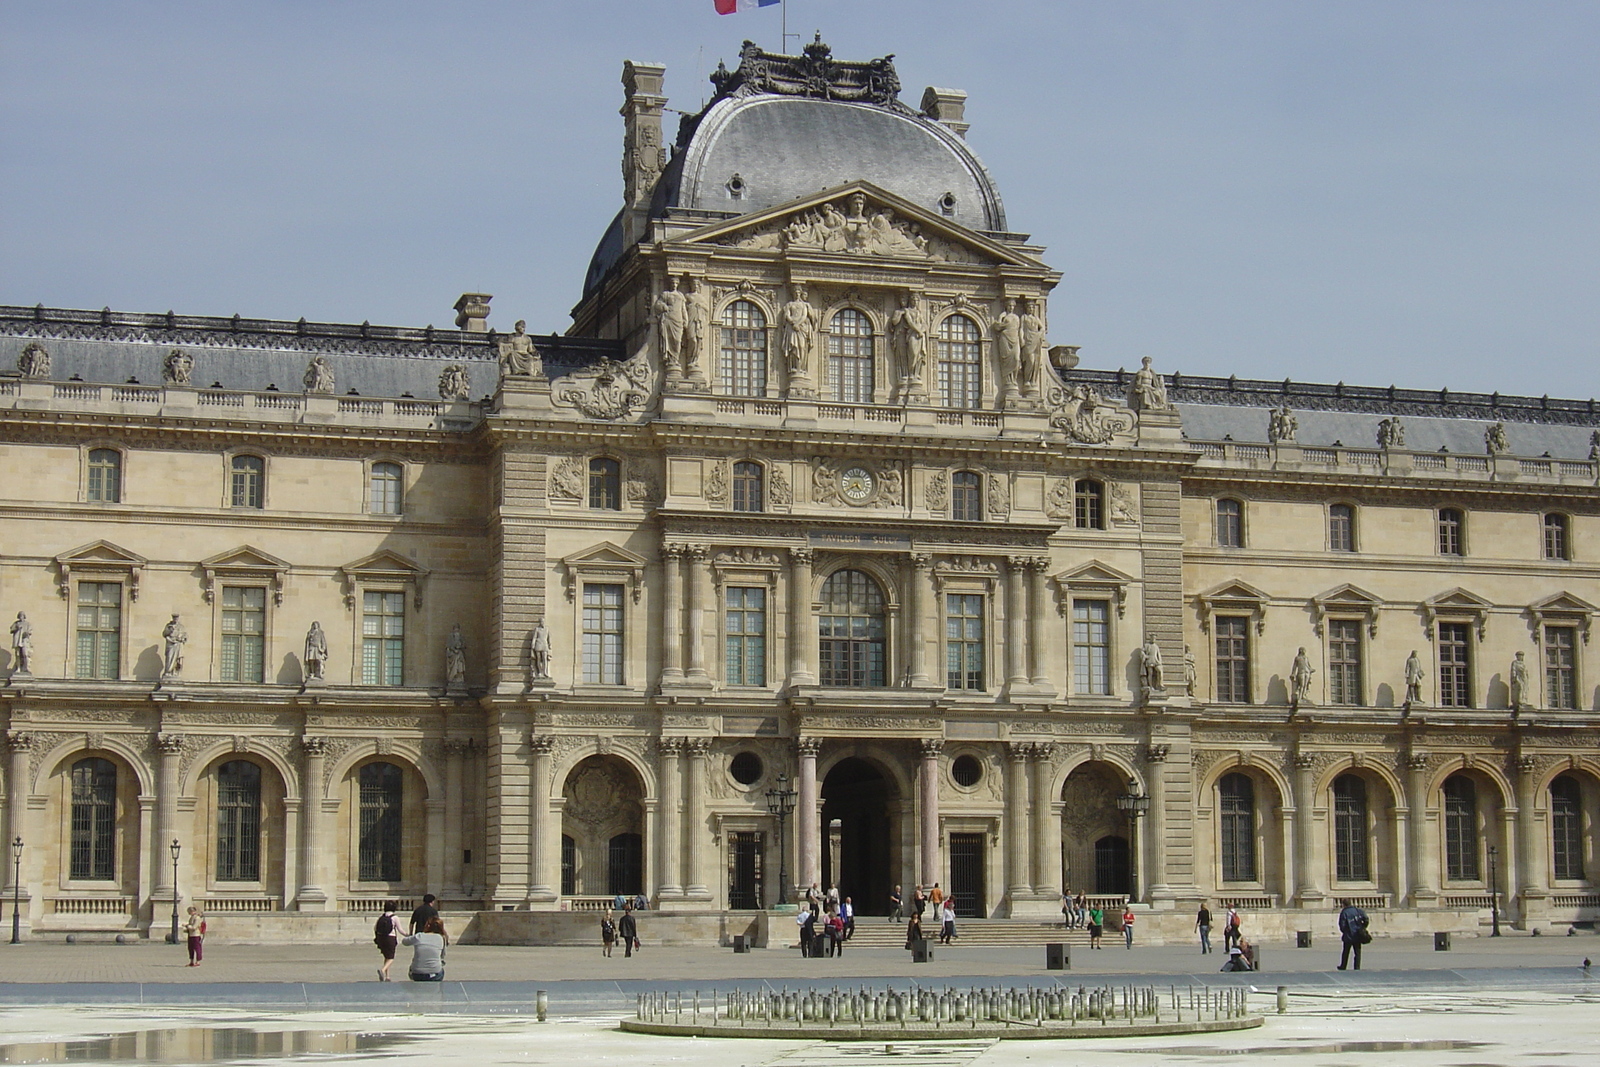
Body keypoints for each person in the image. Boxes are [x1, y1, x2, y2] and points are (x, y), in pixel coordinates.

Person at [402, 917, 447, 981]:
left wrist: (411, 936)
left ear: (428, 926)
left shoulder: (419, 936)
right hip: (434, 972)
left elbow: (404, 942)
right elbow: (442, 955)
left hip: (417, 972)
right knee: (440, 970)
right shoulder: (441, 938)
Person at [1337, 899, 1370, 971]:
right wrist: (1363, 927)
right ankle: (1357, 967)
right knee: (1357, 952)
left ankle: (1343, 966)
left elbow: (1342, 924)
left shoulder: (1344, 912)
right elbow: (1366, 919)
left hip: (1348, 935)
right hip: (1358, 934)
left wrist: (1344, 931)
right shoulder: (1358, 910)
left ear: (1343, 904)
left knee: (1346, 952)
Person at [374, 901, 400, 981]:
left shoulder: (381, 917)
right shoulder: (395, 917)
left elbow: (375, 928)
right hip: (391, 938)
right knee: (391, 957)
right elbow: (400, 929)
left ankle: (387, 976)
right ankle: (383, 970)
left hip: (381, 938)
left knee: (386, 956)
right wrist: (408, 934)